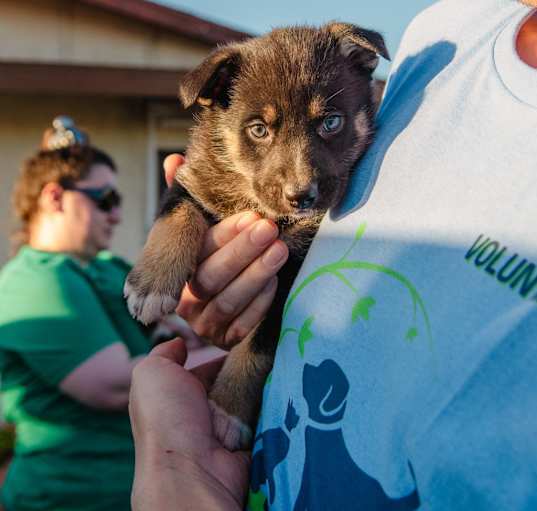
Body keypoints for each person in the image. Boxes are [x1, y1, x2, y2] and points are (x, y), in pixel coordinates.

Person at [130, 1, 537, 510]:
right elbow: (188, 198)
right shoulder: (444, 36)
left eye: (329, 125)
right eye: (261, 130)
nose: (301, 176)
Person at [0, 116, 151, 511]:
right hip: (71, 497)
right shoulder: (32, 279)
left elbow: (183, 330)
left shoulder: (106, 266)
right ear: (54, 198)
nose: (116, 214)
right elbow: (115, 387)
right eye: (105, 199)